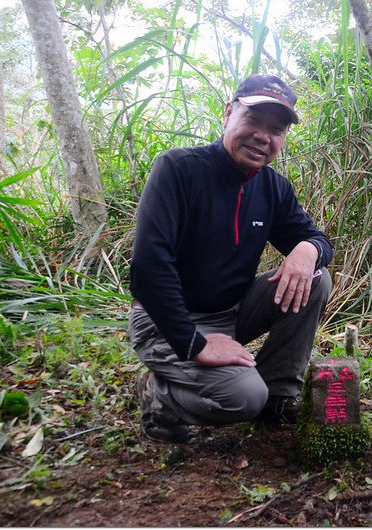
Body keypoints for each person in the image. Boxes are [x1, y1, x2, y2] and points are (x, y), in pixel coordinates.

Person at [127, 75, 333, 443]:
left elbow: (316, 239)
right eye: (253, 120)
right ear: (228, 113)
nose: (262, 136)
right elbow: (148, 268)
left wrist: (309, 249)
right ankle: (160, 398)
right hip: (163, 320)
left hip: (231, 313)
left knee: (317, 277)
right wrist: (196, 344)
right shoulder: (178, 169)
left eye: (276, 129)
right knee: (243, 397)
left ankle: (278, 396)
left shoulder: (272, 187)